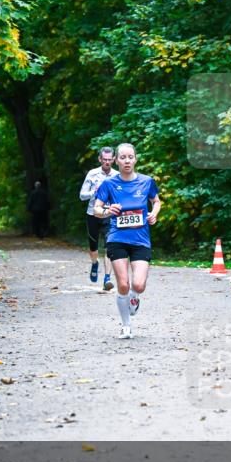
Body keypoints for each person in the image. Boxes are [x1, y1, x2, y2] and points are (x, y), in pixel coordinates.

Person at [93, 143, 160, 339]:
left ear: (135, 159)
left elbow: (156, 201)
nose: (127, 161)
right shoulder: (109, 184)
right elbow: (96, 208)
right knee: (123, 284)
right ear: (116, 160)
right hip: (117, 238)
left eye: (130, 157)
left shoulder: (147, 182)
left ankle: (134, 297)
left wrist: (154, 214)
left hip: (140, 239)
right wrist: (106, 211)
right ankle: (126, 326)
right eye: (122, 157)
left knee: (138, 285)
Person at [79, 147, 117, 290]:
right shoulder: (92, 174)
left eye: (109, 160)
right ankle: (95, 263)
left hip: (109, 214)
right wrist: (94, 192)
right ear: (100, 159)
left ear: (113, 159)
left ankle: (107, 278)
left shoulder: (117, 175)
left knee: (110, 245)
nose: (107, 162)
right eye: (104, 159)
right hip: (93, 214)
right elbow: (82, 196)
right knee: (93, 247)